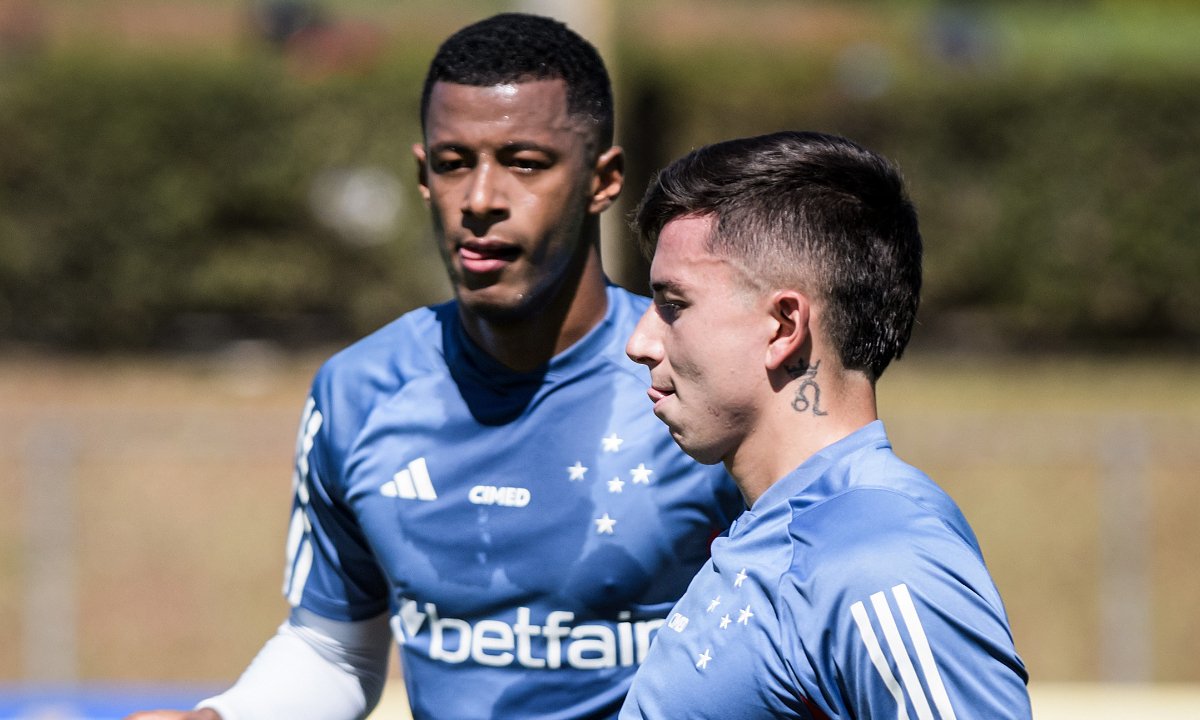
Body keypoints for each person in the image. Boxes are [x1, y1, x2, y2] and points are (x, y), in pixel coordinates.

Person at [127, 13, 741, 720]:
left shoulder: (702, 382)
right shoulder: (359, 393)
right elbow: (334, 650)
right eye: (454, 164)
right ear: (424, 176)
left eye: (525, 163)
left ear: (603, 181)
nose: (480, 200)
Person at [618, 131, 1031, 719]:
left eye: (673, 304)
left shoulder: (879, 560)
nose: (639, 342)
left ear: (785, 325)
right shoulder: (785, 529)